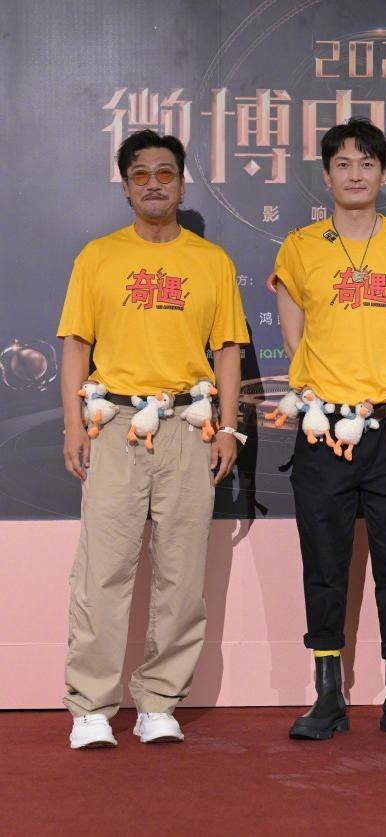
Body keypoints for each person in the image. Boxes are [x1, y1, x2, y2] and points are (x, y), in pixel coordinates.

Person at [58, 129, 248, 749]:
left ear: (182, 183)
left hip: (190, 427)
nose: (154, 185)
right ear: (126, 187)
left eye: (165, 174)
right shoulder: (98, 257)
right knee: (102, 573)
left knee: (181, 573)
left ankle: (160, 700)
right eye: (140, 175)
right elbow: (76, 346)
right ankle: (91, 706)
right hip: (112, 425)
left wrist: (227, 427)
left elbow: (227, 351)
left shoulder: (211, 261)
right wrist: (73, 424)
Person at [273, 117, 386, 741]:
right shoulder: (299, 247)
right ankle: (327, 696)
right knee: (323, 562)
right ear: (326, 175)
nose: (355, 174)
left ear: (384, 173)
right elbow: (293, 335)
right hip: (324, 428)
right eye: (342, 164)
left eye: (367, 163)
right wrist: (332, 389)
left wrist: (381, 383)